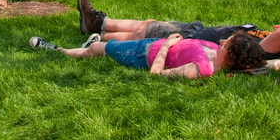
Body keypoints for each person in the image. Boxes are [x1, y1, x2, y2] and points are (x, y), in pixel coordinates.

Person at [75, 0, 280, 59]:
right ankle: (99, 25)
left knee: (146, 32)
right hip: (197, 30)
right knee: (149, 25)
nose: (278, 26)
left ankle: (99, 32)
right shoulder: (268, 41)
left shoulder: (268, 48)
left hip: (193, 39)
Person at [29, 29, 266, 79]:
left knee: (95, 50)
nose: (222, 41)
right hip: (153, 44)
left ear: (231, 56)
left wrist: (166, 46)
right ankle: (92, 39)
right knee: (107, 40)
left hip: (143, 55)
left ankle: (56, 49)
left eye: (227, 44)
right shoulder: (216, 56)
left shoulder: (199, 69)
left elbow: (156, 74)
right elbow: (272, 63)